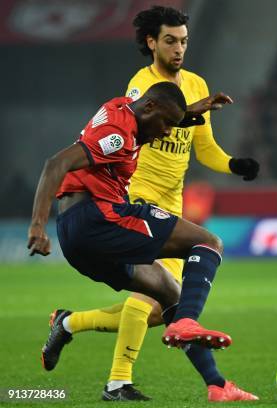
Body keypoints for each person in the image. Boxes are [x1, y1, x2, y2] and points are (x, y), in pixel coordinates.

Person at [39, 6, 259, 402]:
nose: (179, 49)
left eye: (184, 41)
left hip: (154, 207)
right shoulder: (141, 86)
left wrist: (227, 159)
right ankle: (118, 381)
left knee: (166, 300)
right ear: (151, 42)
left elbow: (182, 137)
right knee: (177, 275)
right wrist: (37, 226)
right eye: (171, 41)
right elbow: (134, 127)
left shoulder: (190, 86)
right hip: (128, 201)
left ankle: (215, 384)